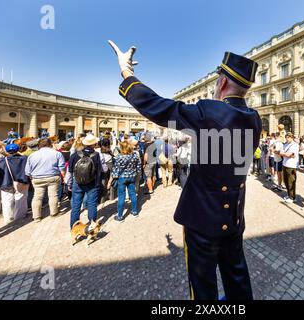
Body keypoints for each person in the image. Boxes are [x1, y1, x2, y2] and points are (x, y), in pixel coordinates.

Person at [109, 43, 261, 300]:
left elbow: (160, 107)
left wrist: (126, 72)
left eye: (216, 83)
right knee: (237, 276)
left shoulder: (211, 111)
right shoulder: (253, 118)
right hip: (234, 215)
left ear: (222, 83)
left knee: (202, 286)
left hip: (203, 217)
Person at [25, 138, 65, 222]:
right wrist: (63, 177)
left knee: (37, 197)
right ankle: (54, 213)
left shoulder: (32, 155)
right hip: (52, 176)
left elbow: (27, 171)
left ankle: (36, 217)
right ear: (50, 144)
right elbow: (62, 168)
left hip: (37, 178)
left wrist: (32, 178)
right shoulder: (57, 153)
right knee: (53, 195)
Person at [68, 135, 103, 230]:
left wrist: (69, 182)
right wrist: (98, 184)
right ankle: (92, 225)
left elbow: (70, 169)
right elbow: (99, 171)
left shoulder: (75, 154)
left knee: (76, 205)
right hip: (92, 182)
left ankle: (74, 227)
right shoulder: (96, 155)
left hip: (77, 182)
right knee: (92, 204)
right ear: (94, 144)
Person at [108, 140, 141, 221]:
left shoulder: (119, 157)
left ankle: (120, 216)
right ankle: (134, 211)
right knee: (133, 194)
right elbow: (138, 167)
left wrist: (110, 180)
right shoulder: (134, 156)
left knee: (121, 196)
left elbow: (115, 171)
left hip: (122, 178)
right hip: (132, 177)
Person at [0, 144, 30, 224]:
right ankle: (20, 216)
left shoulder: (2, 160)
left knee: (6, 201)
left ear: (7, 150)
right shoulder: (25, 158)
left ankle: (8, 218)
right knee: (21, 199)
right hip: (22, 181)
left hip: (6, 182)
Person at [279, 132, 299, 203]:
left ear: (292, 137)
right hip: (285, 164)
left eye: (288, 137)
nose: (287, 138)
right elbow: (282, 153)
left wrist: (283, 154)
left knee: (291, 181)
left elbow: (289, 154)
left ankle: (292, 197)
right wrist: (284, 154)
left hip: (291, 165)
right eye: (286, 137)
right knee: (286, 181)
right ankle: (289, 194)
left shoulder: (295, 145)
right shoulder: (286, 144)